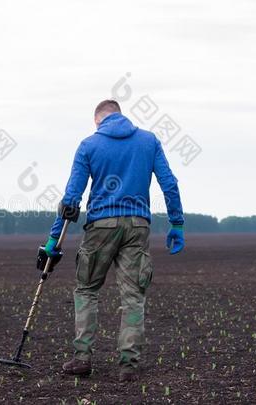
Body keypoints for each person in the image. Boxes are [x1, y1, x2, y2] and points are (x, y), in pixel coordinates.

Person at [44, 99, 185, 383]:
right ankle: (128, 365)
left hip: (100, 226)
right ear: (121, 116)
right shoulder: (149, 141)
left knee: (86, 290)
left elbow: (72, 199)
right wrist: (177, 223)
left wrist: (53, 238)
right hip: (137, 225)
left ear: (97, 120)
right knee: (133, 296)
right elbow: (169, 182)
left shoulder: (89, 145)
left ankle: (82, 358)